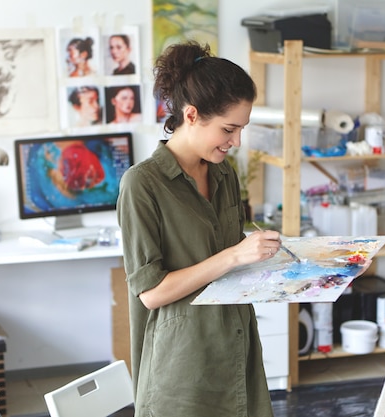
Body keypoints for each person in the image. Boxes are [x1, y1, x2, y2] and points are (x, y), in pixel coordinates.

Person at [117, 41, 280, 417]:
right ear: (191, 115)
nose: (236, 141)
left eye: (241, 129)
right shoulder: (142, 184)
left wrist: (272, 259)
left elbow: (227, 256)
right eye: (228, 128)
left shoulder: (223, 173)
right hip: (183, 370)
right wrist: (235, 254)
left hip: (237, 349)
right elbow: (152, 293)